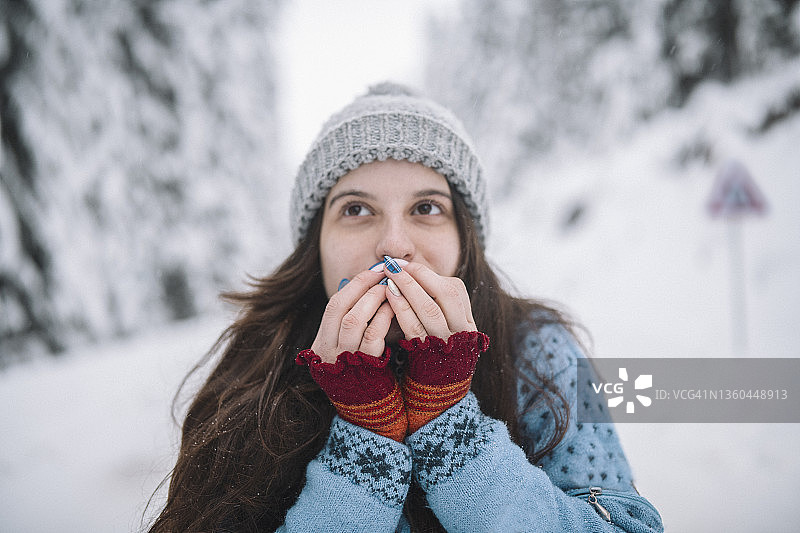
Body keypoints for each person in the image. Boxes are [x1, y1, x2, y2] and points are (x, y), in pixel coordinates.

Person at [148, 82, 663, 532]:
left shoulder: (541, 345)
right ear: (316, 245)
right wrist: (362, 446)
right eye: (356, 209)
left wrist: (452, 431)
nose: (394, 244)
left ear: (465, 240)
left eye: (426, 208)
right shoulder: (258, 364)